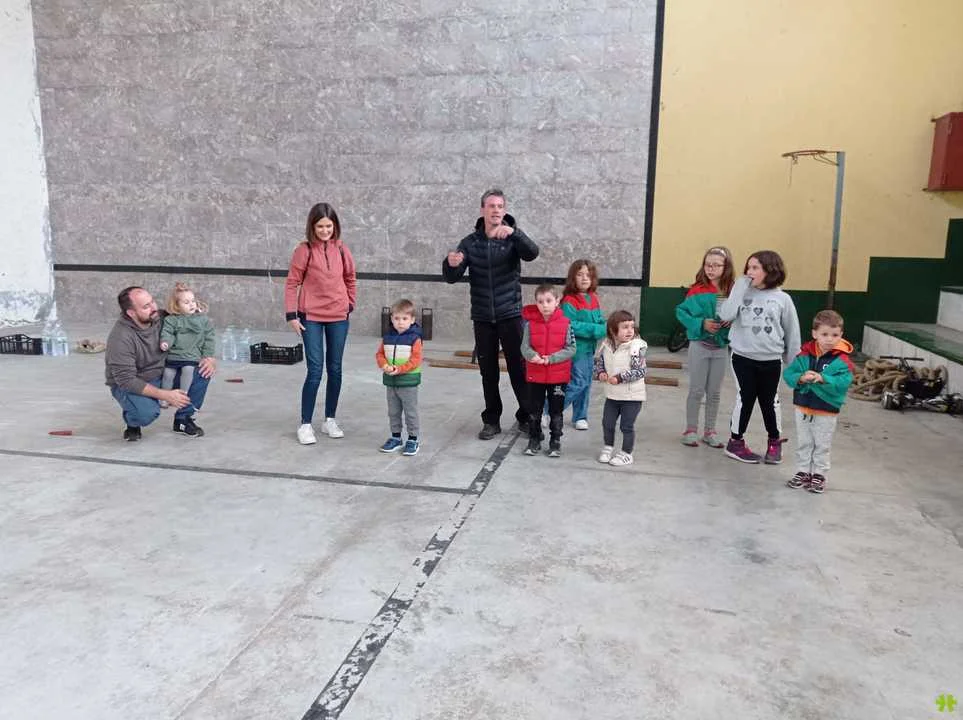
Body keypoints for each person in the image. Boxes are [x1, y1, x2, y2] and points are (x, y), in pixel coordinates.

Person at [442, 189, 539, 440]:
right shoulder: (470, 242)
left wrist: (515, 233)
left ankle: (526, 416)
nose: (496, 210)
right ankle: (491, 420)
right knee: (488, 372)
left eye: (500, 206)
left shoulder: (512, 238)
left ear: (504, 210)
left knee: (519, 368)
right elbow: (452, 277)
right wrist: (450, 264)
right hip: (483, 316)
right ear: (482, 210)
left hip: (510, 314)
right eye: (491, 206)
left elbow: (532, 253)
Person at [718, 250, 801, 464]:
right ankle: (735, 442)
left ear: (770, 271)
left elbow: (792, 333)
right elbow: (725, 315)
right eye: (748, 267)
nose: (749, 271)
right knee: (745, 397)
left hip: (771, 360)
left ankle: (774, 442)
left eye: (755, 268)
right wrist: (738, 289)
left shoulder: (783, 299)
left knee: (770, 401)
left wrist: (795, 366)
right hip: (742, 357)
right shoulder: (741, 293)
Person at [285, 202, 357, 446]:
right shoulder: (303, 250)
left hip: (339, 316)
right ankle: (305, 424)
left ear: (335, 226)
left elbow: (350, 278)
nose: (325, 231)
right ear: (312, 227)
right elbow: (292, 283)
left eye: (329, 226)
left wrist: (350, 304)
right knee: (315, 370)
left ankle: (330, 420)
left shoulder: (342, 249)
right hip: (311, 317)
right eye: (320, 227)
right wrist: (292, 315)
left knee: (335, 369)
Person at [105, 286, 215, 441]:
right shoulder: (121, 338)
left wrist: (209, 358)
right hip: (133, 382)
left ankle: (183, 420)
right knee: (146, 414)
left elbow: (202, 330)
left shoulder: (163, 318)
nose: (154, 308)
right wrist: (165, 395)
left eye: (152, 302)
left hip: (164, 373)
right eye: (146, 306)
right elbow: (126, 380)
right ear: (131, 313)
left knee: (201, 372)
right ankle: (133, 421)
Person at [782, 309, 854, 494]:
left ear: (841, 335)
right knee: (804, 442)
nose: (829, 339)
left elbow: (844, 382)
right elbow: (789, 374)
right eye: (824, 334)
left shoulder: (842, 360)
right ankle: (803, 471)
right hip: (803, 406)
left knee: (822, 444)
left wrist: (823, 379)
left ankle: (819, 474)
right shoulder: (804, 355)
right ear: (814, 334)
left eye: (835, 335)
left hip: (826, 409)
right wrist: (800, 377)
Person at [674, 247, 735, 448]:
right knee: (696, 390)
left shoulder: (733, 291)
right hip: (699, 346)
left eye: (716, 265)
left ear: (726, 267)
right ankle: (691, 430)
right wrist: (701, 323)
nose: (711, 269)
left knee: (714, 392)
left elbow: (741, 313)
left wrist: (732, 320)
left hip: (721, 348)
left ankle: (710, 431)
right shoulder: (696, 290)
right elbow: (681, 312)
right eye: (708, 265)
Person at [520, 285, 576, 457]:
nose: (544, 305)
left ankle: (555, 441)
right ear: (536, 303)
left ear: (557, 301)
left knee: (556, 411)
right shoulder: (530, 325)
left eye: (549, 300)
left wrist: (551, 358)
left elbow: (571, 348)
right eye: (540, 301)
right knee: (534, 410)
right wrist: (533, 356)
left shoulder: (566, 324)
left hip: (558, 377)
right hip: (535, 376)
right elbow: (524, 347)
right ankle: (534, 439)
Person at [593, 310, 647, 467]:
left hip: (632, 397)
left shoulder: (636, 347)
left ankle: (627, 453)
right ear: (612, 330)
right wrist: (601, 373)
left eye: (631, 326)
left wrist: (620, 377)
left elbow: (640, 371)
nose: (630, 330)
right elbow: (599, 363)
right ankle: (608, 447)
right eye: (625, 327)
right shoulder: (606, 345)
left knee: (626, 426)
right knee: (607, 423)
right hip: (612, 395)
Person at [558, 260, 606, 430]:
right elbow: (569, 325)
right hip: (575, 350)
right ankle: (550, 410)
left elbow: (601, 321)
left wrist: (603, 327)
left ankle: (580, 416)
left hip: (590, 349)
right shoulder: (569, 300)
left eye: (588, 275)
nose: (585, 278)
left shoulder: (594, 298)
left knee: (586, 384)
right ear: (573, 278)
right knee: (578, 382)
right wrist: (596, 330)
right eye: (580, 275)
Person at [375, 299, 424, 457]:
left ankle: (413, 439)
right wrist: (384, 365)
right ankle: (396, 437)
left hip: (408, 382)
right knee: (393, 411)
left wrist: (399, 369)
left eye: (404, 318)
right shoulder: (387, 337)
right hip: (391, 381)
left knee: (410, 412)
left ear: (412, 320)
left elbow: (416, 360)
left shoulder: (415, 339)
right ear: (391, 319)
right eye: (397, 318)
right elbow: (380, 354)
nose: (400, 322)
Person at [159, 282, 215, 408]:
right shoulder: (171, 320)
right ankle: (164, 397)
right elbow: (168, 333)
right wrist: (165, 342)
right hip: (174, 354)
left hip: (191, 355)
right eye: (186, 302)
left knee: (188, 370)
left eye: (193, 301)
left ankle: (183, 395)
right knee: (167, 374)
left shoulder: (202, 320)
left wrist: (208, 355)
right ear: (176, 306)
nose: (191, 304)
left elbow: (209, 338)